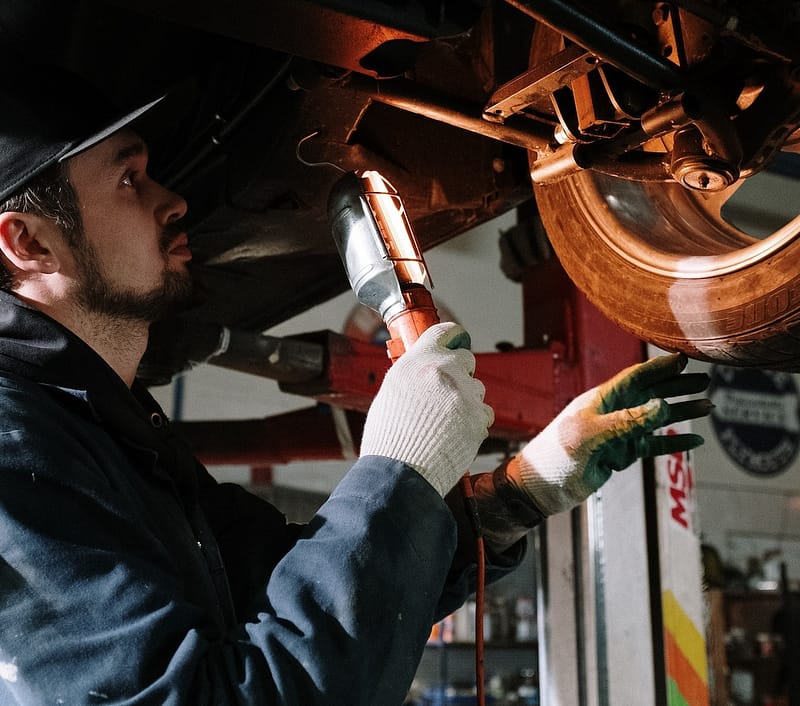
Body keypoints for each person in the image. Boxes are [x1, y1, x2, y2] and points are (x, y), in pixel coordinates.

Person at [0, 64, 712, 705]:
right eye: (129, 179)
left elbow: (290, 586)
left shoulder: (110, 430)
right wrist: (398, 472)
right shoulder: (13, 450)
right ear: (28, 242)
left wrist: (515, 494)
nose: (175, 201)